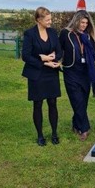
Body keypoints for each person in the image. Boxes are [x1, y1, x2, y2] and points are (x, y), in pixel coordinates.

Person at [59, 10, 95, 141]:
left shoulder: (88, 37)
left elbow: (94, 54)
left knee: (83, 101)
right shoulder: (66, 34)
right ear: (76, 20)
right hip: (71, 72)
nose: (84, 25)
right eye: (82, 22)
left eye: (86, 23)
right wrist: (55, 61)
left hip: (85, 72)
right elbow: (58, 50)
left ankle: (76, 123)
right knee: (77, 100)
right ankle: (84, 128)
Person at [21, 7, 62, 146]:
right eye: (48, 20)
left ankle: (54, 133)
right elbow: (25, 56)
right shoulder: (30, 34)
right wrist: (42, 60)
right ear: (39, 20)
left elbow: (59, 51)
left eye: (51, 19)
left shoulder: (52, 32)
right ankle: (40, 135)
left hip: (51, 73)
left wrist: (55, 58)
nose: (50, 22)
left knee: (52, 103)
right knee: (38, 104)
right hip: (36, 73)